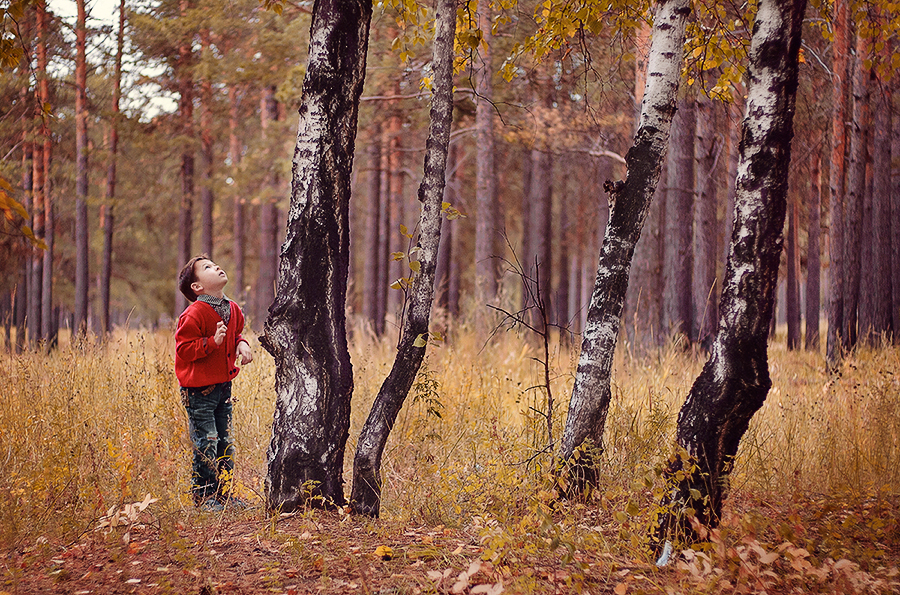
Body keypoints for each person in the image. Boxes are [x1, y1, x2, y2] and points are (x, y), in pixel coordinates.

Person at [175, 255, 253, 511]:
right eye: (207, 268)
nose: (216, 267)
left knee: (224, 441)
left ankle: (224, 495)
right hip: (199, 391)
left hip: (223, 388)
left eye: (214, 263)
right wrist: (211, 343)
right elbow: (184, 349)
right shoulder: (194, 313)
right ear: (197, 287)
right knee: (206, 440)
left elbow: (238, 332)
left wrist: (242, 344)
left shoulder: (232, 309)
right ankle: (204, 496)